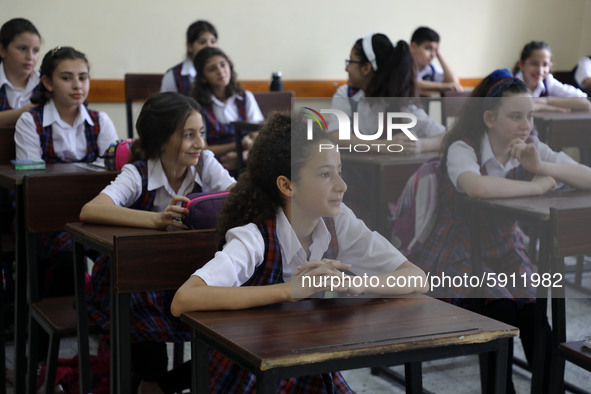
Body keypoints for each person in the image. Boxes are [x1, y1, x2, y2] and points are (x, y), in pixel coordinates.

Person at [171, 112, 428, 393]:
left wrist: (355, 283)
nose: (342, 185)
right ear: (287, 185)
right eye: (325, 174)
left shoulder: (338, 219)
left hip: (304, 364)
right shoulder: (255, 237)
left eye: (339, 172)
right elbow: (184, 299)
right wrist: (288, 290)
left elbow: (416, 279)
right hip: (247, 374)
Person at [413, 68, 591, 393]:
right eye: (515, 117)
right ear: (490, 119)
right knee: (500, 310)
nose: (526, 126)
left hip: (506, 248)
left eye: (530, 117)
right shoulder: (462, 148)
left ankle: (548, 388)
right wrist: (537, 188)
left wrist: (541, 168)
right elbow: (476, 187)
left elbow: (587, 176)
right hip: (457, 252)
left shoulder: (531, 147)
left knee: (534, 310)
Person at [80, 92, 235, 394]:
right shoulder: (138, 172)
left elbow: (238, 197)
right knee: (147, 331)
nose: (199, 144)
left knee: (228, 337)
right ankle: (150, 381)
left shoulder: (204, 163)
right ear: (162, 140)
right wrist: (155, 220)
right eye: (188, 135)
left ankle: (159, 387)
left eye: (201, 133)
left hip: (183, 273)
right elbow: (91, 209)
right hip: (132, 277)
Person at [328, 33, 446, 154]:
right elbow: (336, 136)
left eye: (350, 62)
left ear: (366, 69)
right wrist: (384, 145)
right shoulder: (346, 95)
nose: (346, 68)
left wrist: (422, 145)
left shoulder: (399, 102)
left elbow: (446, 137)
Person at [14, 46, 118, 162]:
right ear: (48, 82)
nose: (77, 85)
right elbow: (31, 175)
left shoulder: (101, 121)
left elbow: (111, 169)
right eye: (66, 78)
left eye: (82, 78)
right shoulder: (30, 122)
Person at [191, 46, 263, 169]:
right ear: (203, 78)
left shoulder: (245, 97)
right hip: (211, 165)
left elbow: (258, 138)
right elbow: (202, 149)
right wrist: (238, 145)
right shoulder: (198, 106)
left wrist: (243, 155)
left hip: (247, 161)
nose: (220, 71)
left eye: (223, 65)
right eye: (212, 69)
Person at [513, 41, 591, 112]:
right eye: (534, 63)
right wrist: (548, 107)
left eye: (545, 65)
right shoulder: (510, 83)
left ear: (550, 66)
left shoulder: (547, 81)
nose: (540, 70)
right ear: (521, 64)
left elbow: (585, 101)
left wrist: (546, 100)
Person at [0, 18, 41, 127]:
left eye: (35, 50)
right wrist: (20, 113)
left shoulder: (47, 82)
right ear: (3, 50)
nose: (30, 57)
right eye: (22, 49)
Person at [160, 20, 218, 96]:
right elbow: (164, 105)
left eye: (213, 42)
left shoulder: (222, 71)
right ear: (190, 46)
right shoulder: (174, 75)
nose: (209, 46)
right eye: (202, 42)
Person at [409, 26, 463, 94]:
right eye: (428, 48)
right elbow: (412, 83)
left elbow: (454, 83)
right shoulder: (401, 65)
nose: (433, 55)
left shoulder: (431, 69)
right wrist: (443, 86)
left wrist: (439, 54)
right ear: (413, 46)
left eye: (435, 50)